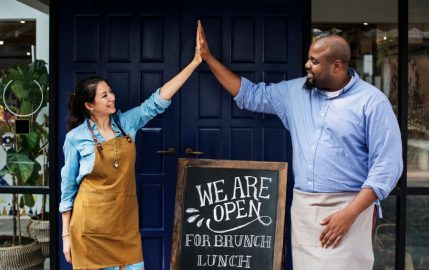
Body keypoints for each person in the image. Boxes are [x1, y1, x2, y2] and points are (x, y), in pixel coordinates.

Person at [196, 20, 403, 270]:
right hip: (304, 207)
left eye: (314, 61)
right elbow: (249, 95)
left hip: (350, 207)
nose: (307, 65)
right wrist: (208, 58)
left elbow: (387, 167)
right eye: (308, 58)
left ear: (337, 66)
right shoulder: (295, 92)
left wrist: (349, 215)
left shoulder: (372, 103)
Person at [59, 27, 202, 270]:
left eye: (111, 92)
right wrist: (65, 237)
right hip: (89, 230)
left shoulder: (126, 124)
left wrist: (195, 62)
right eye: (104, 96)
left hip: (124, 225)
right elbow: (68, 189)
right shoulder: (75, 138)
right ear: (89, 105)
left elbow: (156, 102)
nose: (111, 97)